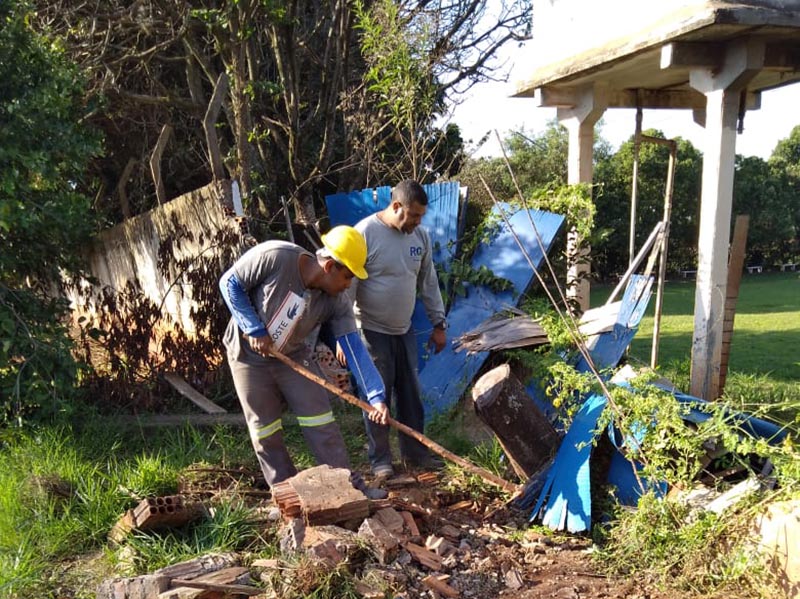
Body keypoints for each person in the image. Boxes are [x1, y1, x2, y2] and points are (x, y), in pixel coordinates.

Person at [219, 226, 390, 499]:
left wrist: (375, 396)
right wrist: (253, 328)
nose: (348, 285)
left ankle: (349, 490)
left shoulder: (337, 302)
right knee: (265, 430)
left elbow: (353, 348)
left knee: (321, 423)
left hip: (294, 356)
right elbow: (230, 283)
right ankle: (287, 496)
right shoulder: (276, 255)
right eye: (347, 277)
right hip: (247, 357)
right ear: (330, 266)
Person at [348, 180, 447, 478]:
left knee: (411, 395)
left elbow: (428, 282)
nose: (418, 222)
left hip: (403, 331)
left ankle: (416, 455)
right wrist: (346, 336)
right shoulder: (364, 233)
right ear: (395, 206)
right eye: (414, 215)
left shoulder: (421, 237)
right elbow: (347, 286)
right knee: (377, 397)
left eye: (421, 217)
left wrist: (438, 323)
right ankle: (380, 461)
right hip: (371, 330)